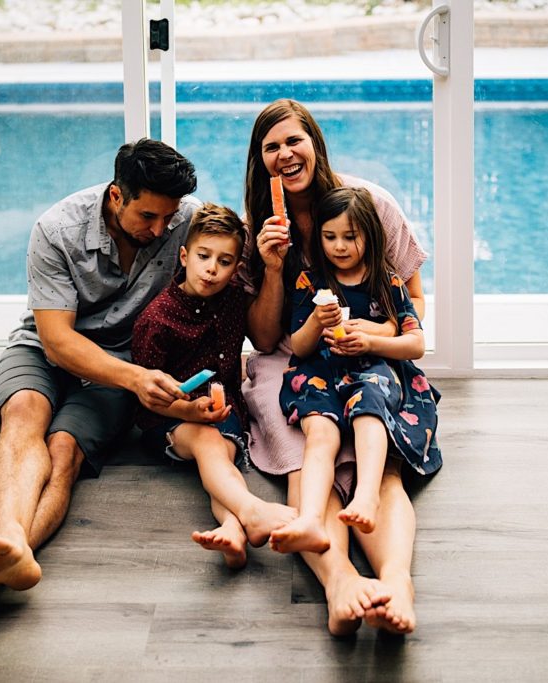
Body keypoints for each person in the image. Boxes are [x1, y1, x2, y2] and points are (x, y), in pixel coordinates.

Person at [0, 138, 200, 621]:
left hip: (120, 361)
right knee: (24, 415)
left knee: (65, 448)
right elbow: (56, 341)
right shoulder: (57, 228)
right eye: (148, 217)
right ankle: (11, 550)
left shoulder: (186, 219)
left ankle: (8, 553)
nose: (161, 228)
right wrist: (138, 379)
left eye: (169, 216)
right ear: (117, 196)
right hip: (48, 347)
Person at [240, 99, 433, 636]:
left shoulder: (366, 203)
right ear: (260, 161)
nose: (284, 154)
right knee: (312, 459)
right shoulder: (260, 227)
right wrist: (274, 267)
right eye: (271, 147)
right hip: (296, 360)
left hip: (373, 352)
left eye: (293, 141)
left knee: (378, 465)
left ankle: (397, 581)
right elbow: (265, 337)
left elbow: (409, 299)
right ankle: (340, 582)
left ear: (315, 143)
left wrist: (374, 335)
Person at [270, 186, 441, 558]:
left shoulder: (387, 281)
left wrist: (371, 343)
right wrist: (316, 321)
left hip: (372, 369)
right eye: (330, 237)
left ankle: (366, 497)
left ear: (370, 236)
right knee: (320, 431)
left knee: (370, 409)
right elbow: (298, 346)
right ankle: (312, 518)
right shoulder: (310, 282)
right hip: (320, 371)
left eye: (350, 237)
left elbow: (415, 344)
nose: (340, 246)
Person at [131, 203, 297, 569]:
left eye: (224, 261)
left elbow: (265, 336)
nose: (212, 269)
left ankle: (232, 528)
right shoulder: (156, 320)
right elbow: (147, 401)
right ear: (185, 256)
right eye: (204, 256)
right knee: (209, 445)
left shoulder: (233, 299)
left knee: (220, 457)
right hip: (168, 419)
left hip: (223, 413)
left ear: (236, 267)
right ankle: (252, 510)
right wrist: (186, 410)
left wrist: (273, 270)